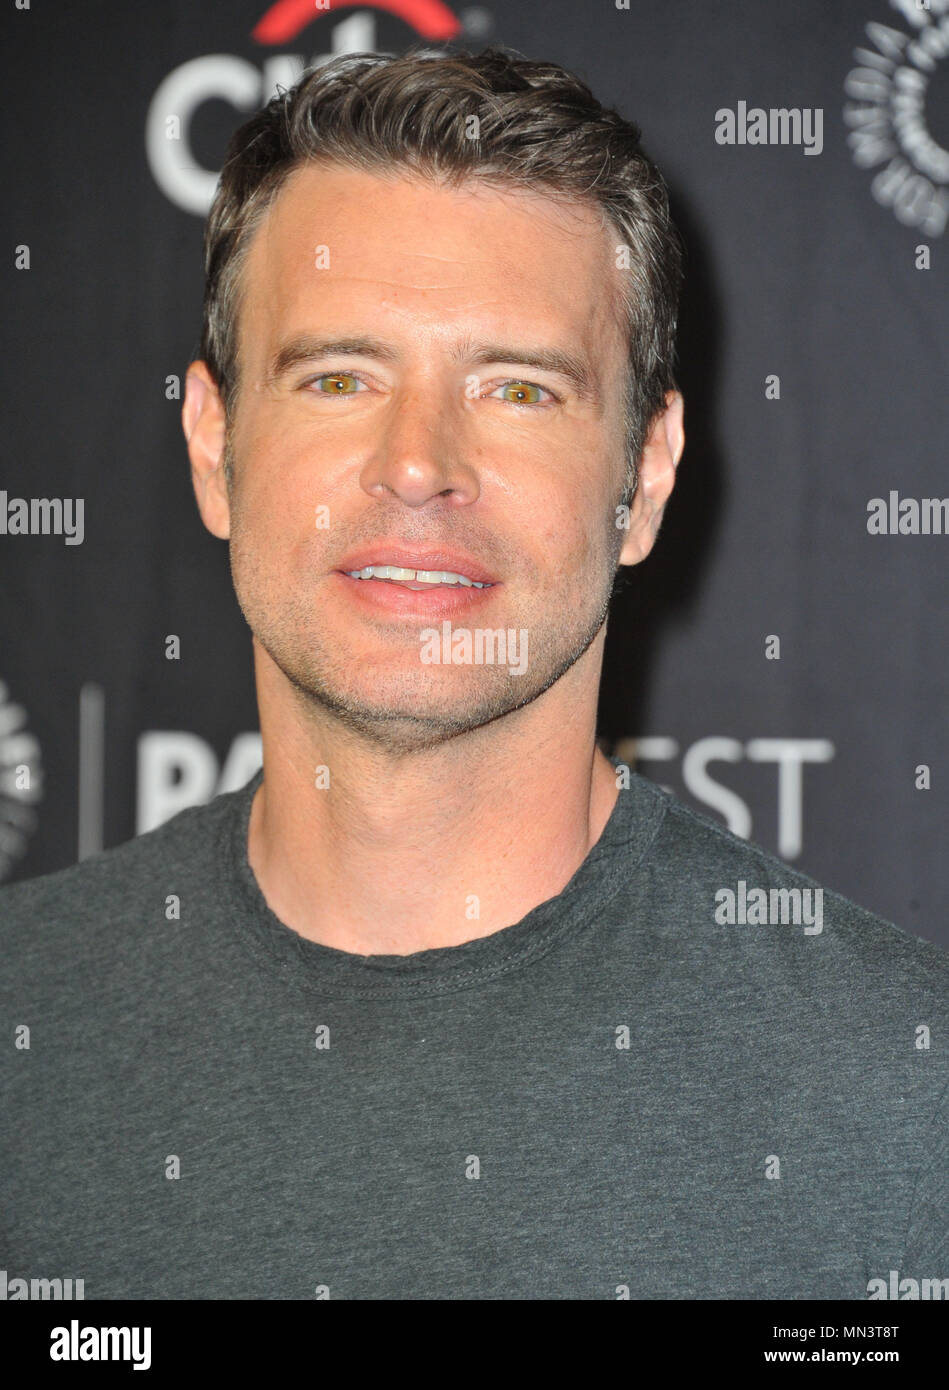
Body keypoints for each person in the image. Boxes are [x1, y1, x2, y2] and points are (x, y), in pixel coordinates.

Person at [1, 46, 945, 1302]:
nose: (416, 463)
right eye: (340, 377)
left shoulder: (902, 1103)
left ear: (644, 476)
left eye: (516, 388)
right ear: (213, 444)